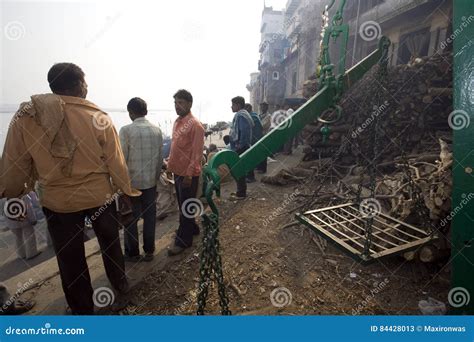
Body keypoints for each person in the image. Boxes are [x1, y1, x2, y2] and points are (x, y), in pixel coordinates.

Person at [0, 63, 140, 315]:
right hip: (100, 198)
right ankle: (121, 289)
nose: (87, 87)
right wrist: (125, 192)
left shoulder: (27, 118)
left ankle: (81, 310)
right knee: (110, 245)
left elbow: (13, 165)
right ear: (77, 85)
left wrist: (12, 194)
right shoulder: (97, 117)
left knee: (70, 260)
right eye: (85, 82)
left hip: (58, 203)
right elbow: (116, 163)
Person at [120, 97, 163, 263]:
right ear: (145, 111)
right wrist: (155, 177)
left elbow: (122, 159)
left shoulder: (125, 130)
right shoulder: (157, 131)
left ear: (131, 113)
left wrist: (120, 184)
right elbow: (159, 159)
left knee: (130, 219)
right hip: (150, 183)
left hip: (132, 185)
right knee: (150, 218)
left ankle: (133, 253)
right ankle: (149, 251)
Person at [166, 90, 205, 256]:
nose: (177, 106)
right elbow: (175, 147)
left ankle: (184, 241)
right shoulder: (177, 122)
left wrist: (189, 175)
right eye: (175, 103)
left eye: (180, 102)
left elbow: (196, 154)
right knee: (183, 204)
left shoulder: (196, 126)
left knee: (185, 207)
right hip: (177, 171)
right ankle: (193, 228)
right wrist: (169, 167)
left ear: (189, 104)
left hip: (188, 174)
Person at [1, 191, 43, 260]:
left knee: (17, 238)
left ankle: (21, 254)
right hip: (24, 219)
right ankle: (31, 253)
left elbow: (3, 211)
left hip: (11, 221)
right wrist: (33, 219)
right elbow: (29, 208)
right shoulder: (23, 194)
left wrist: (7, 224)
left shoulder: (3, 197)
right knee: (29, 235)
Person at [229, 96, 254, 200]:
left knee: (238, 169)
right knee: (241, 169)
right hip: (243, 145)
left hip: (241, 146)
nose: (231, 107)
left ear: (238, 105)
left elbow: (243, 131)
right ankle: (240, 191)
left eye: (233, 105)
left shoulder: (241, 116)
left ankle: (241, 193)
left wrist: (239, 145)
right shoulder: (244, 114)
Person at [244, 103, 263, 183]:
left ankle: (251, 177)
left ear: (248, 108)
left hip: (255, 139)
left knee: (250, 157)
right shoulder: (254, 115)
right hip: (255, 138)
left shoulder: (252, 116)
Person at [256, 102, 271, 174]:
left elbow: (263, 126)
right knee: (258, 152)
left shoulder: (268, 116)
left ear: (267, 107)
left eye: (263, 106)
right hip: (259, 136)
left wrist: (257, 126)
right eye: (261, 106)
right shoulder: (259, 115)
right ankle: (259, 167)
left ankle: (263, 169)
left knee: (263, 153)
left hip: (264, 136)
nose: (262, 108)